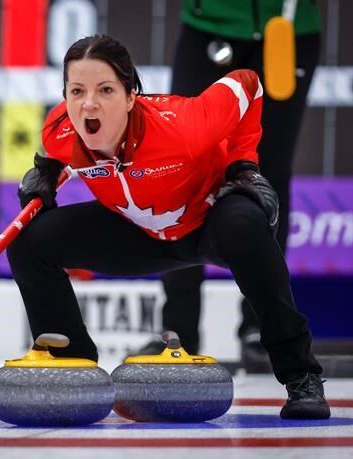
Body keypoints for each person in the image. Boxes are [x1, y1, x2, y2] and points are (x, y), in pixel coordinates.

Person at [7, 34, 329, 419]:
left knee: (246, 226)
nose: (88, 103)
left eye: (105, 90)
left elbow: (248, 83)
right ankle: (73, 369)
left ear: (130, 97)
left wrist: (243, 165)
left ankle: (301, 376)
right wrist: (45, 170)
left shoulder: (184, 127)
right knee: (28, 241)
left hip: (208, 220)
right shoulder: (60, 128)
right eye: (76, 91)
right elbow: (51, 146)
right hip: (139, 231)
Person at [135, 0, 322, 371]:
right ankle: (177, 330)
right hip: (209, 25)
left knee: (267, 175)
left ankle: (262, 331)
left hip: (288, 31)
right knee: (183, 166)